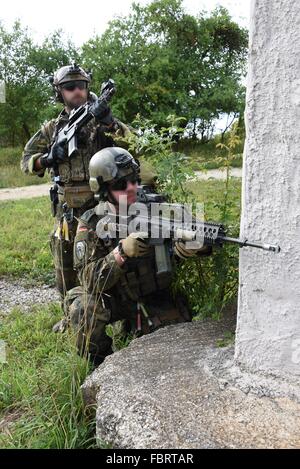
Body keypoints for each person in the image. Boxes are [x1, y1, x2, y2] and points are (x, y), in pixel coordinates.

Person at [64, 147, 211, 365]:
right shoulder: (92, 223)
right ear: (103, 190)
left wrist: (191, 248)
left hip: (153, 294)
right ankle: (102, 365)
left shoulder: (157, 208)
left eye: (134, 179)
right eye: (121, 185)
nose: (131, 187)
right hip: (114, 299)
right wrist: (120, 253)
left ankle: (134, 327)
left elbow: (190, 239)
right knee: (83, 311)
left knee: (173, 356)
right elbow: (88, 280)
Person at [20, 63, 153, 305]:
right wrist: (48, 158)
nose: (77, 91)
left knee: (114, 259)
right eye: (69, 87)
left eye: (80, 86)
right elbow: (26, 161)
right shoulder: (52, 129)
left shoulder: (101, 120)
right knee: (66, 264)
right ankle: (72, 314)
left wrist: (111, 123)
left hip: (104, 209)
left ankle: (124, 309)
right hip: (68, 211)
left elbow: (137, 147)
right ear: (59, 92)